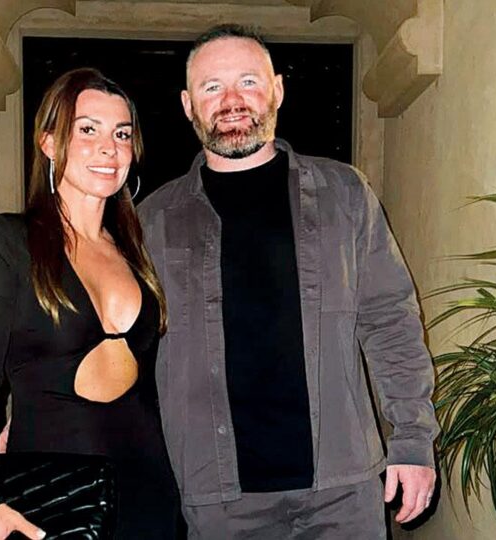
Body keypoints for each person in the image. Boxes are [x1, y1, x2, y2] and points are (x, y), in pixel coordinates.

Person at [136, 25, 439, 538]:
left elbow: (391, 322)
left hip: (342, 491)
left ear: (276, 90)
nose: (232, 100)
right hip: (218, 501)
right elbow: (121, 346)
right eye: (212, 87)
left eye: (248, 81)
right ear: (188, 105)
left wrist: (412, 439)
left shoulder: (344, 193)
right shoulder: (153, 220)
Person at [0, 68, 180, 540]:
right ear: (49, 143)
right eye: (88, 130)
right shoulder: (6, 243)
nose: (109, 148)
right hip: (51, 497)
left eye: (122, 134)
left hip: (150, 491)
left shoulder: (137, 253)